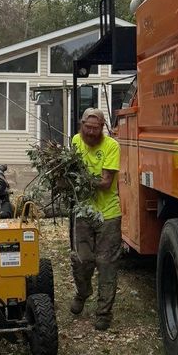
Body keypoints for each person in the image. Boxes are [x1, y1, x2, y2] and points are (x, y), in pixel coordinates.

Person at [70, 108, 122, 331]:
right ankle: (83, 293)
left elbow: (105, 183)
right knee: (81, 260)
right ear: (81, 125)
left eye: (95, 128)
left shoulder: (112, 146)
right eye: (87, 127)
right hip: (83, 213)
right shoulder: (75, 141)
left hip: (108, 214)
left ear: (102, 127)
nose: (91, 132)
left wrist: (80, 179)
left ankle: (103, 313)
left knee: (106, 264)